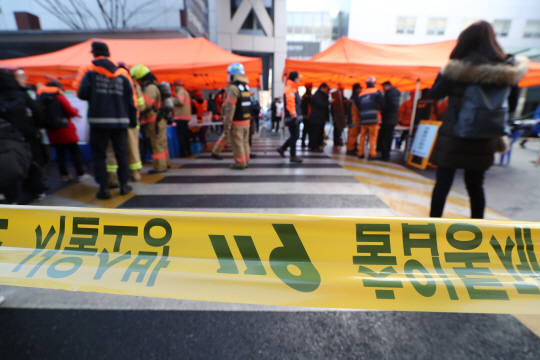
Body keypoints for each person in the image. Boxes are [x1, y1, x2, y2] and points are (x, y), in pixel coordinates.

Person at [429, 21, 527, 219]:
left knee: (443, 183)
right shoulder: (508, 70)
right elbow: (513, 105)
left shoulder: (457, 68)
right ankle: (478, 227)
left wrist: (444, 72)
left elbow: (435, 93)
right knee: (475, 185)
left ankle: (433, 227)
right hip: (486, 135)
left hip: (455, 133)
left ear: (465, 41)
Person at [74, 41, 136, 199]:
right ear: (109, 53)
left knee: (99, 155)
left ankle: (104, 188)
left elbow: (81, 94)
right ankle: (124, 185)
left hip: (98, 121)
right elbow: (131, 100)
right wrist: (133, 120)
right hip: (120, 121)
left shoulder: (89, 71)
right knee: (121, 154)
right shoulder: (123, 74)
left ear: (94, 53)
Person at [38, 81, 91, 182]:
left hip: (52, 131)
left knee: (59, 154)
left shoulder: (41, 99)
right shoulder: (59, 97)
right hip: (65, 130)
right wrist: (76, 112)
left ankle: (64, 175)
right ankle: (80, 173)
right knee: (74, 152)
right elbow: (70, 110)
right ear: (58, 88)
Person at [104, 61, 143, 186]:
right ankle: (135, 175)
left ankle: (113, 179)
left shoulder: (106, 82)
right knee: (132, 149)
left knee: (111, 150)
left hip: (112, 121)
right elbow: (140, 106)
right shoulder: (133, 84)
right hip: (131, 121)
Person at [0, 69, 33, 204]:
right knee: (11, 173)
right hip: (15, 140)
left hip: (9, 140)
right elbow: (36, 114)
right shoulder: (20, 96)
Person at [130, 64, 169, 174]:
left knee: (156, 145)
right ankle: (165, 164)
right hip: (158, 121)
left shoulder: (150, 88)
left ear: (142, 78)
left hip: (154, 122)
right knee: (161, 144)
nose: (138, 82)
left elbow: (145, 105)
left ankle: (160, 168)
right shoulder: (154, 86)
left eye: (138, 80)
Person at [222, 63, 252, 170]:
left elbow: (230, 108)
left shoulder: (233, 88)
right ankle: (246, 161)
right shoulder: (246, 87)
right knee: (245, 143)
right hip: (246, 122)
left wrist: (227, 123)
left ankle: (240, 164)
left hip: (237, 122)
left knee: (237, 144)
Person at [352, 76, 385, 160]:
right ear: (374, 83)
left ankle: (360, 153)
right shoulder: (377, 92)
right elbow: (382, 105)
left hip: (363, 119)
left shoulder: (360, 94)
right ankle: (371, 154)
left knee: (362, 136)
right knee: (372, 137)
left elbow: (358, 106)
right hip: (374, 118)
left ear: (366, 83)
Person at [277, 71, 303, 163]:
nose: (299, 79)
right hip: (292, 118)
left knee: (294, 136)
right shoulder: (290, 89)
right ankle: (292, 155)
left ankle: (283, 149)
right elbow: (290, 104)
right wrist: (294, 116)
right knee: (295, 136)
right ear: (295, 78)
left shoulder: (292, 89)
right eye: (298, 78)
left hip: (293, 117)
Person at [377, 81, 401, 161]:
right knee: (386, 137)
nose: (383, 89)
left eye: (384, 87)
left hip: (388, 119)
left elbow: (393, 105)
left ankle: (385, 155)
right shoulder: (391, 93)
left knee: (385, 137)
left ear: (388, 86)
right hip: (390, 119)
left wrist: (383, 108)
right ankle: (385, 154)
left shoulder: (392, 93)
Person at [308, 83, 331, 152]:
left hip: (317, 118)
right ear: (322, 88)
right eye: (326, 89)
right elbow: (320, 104)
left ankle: (314, 146)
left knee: (317, 133)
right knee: (315, 133)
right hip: (316, 118)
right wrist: (328, 102)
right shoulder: (318, 95)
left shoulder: (319, 95)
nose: (326, 91)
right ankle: (314, 147)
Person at [172, 79, 192, 157]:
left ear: (177, 86)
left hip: (180, 116)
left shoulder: (180, 91)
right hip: (186, 117)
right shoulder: (185, 92)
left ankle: (183, 153)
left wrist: (171, 99)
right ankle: (188, 151)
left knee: (181, 136)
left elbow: (180, 101)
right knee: (186, 135)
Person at [345, 83, 362, 155]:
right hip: (354, 120)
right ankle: (350, 149)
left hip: (353, 119)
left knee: (352, 135)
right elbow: (359, 109)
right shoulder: (356, 98)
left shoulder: (352, 97)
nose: (361, 90)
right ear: (356, 89)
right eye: (360, 88)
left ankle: (352, 147)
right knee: (353, 135)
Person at [300, 82, 313, 147]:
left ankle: (305, 142)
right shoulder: (306, 96)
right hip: (307, 116)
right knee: (307, 130)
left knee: (306, 130)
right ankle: (305, 142)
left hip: (307, 115)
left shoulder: (305, 96)